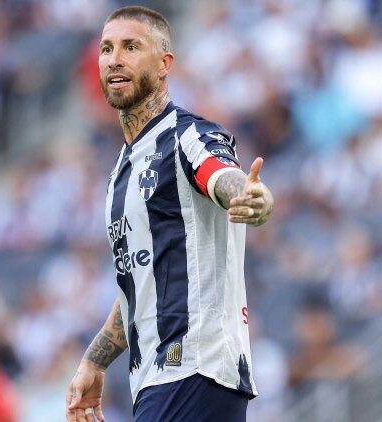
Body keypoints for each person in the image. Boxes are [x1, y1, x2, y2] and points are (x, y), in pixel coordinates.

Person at [65, 6, 274, 422]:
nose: (114, 59)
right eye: (107, 49)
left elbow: (222, 175)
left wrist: (252, 196)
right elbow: (140, 284)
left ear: (164, 64)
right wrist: (95, 360)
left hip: (195, 366)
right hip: (156, 379)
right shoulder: (121, 170)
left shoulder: (187, 135)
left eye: (131, 47)